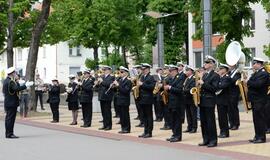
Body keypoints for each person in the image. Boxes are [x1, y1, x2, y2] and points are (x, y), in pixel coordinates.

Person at [2, 67, 33, 138]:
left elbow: (13, 89)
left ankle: (8, 133)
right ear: (12, 73)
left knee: (8, 118)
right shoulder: (11, 81)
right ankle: (10, 134)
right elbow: (16, 89)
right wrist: (25, 86)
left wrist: (19, 83)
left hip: (8, 102)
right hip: (11, 102)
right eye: (15, 73)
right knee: (11, 119)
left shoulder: (6, 81)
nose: (16, 74)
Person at [198, 56, 219, 147]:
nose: (204, 64)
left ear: (211, 64)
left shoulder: (215, 75)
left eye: (206, 63)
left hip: (209, 100)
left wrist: (203, 83)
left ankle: (213, 140)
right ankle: (205, 139)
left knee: (210, 121)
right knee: (203, 122)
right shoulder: (205, 74)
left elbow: (214, 89)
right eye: (205, 63)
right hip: (202, 100)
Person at [247, 57, 268, 143]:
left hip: (259, 99)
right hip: (255, 99)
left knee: (260, 119)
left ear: (259, 64)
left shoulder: (263, 73)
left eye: (254, 63)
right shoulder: (257, 73)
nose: (253, 65)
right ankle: (257, 136)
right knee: (256, 119)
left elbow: (258, 84)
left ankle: (261, 137)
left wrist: (247, 82)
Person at [165, 65, 184, 142]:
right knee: (172, 120)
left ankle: (178, 136)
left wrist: (169, 87)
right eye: (170, 71)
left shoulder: (180, 78)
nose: (170, 72)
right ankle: (174, 134)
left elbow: (179, 90)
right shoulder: (171, 79)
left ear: (175, 71)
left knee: (177, 120)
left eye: (171, 71)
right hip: (171, 102)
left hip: (177, 102)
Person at [138, 63, 156, 138]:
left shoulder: (151, 77)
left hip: (148, 99)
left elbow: (151, 87)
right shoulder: (142, 77)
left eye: (144, 69)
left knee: (149, 116)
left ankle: (149, 132)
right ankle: (145, 131)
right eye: (142, 69)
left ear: (148, 69)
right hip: (142, 99)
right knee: (144, 116)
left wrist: (142, 84)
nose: (142, 71)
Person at [113, 66, 132, 133]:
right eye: (120, 72)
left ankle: (127, 128)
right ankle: (123, 128)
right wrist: (113, 86)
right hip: (119, 100)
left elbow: (125, 91)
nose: (120, 73)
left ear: (126, 73)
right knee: (121, 115)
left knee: (125, 115)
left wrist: (118, 85)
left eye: (121, 72)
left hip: (125, 100)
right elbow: (117, 90)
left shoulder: (128, 81)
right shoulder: (120, 80)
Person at [216, 64, 231, 138]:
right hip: (219, 100)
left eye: (221, 69)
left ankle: (225, 132)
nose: (220, 70)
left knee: (223, 117)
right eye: (219, 68)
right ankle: (222, 131)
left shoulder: (227, 78)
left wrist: (216, 85)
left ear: (225, 70)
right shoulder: (220, 77)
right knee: (220, 117)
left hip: (224, 100)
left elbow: (222, 86)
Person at [97, 65, 115, 131]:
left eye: (105, 70)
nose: (104, 71)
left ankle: (109, 126)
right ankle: (104, 125)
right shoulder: (102, 76)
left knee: (107, 112)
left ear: (109, 70)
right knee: (103, 112)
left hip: (107, 96)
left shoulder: (112, 77)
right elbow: (99, 87)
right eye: (104, 70)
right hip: (102, 96)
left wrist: (102, 82)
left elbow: (109, 85)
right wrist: (98, 83)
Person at [183, 65, 197, 133]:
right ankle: (189, 126)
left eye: (188, 70)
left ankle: (194, 127)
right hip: (186, 99)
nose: (186, 72)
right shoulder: (187, 79)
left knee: (193, 114)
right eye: (186, 70)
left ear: (191, 71)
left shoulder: (194, 78)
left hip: (191, 99)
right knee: (188, 114)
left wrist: (183, 90)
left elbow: (192, 88)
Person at [228, 65, 241, 130]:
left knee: (234, 109)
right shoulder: (229, 73)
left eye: (230, 65)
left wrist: (227, 78)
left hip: (234, 94)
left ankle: (236, 124)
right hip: (229, 94)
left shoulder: (237, 73)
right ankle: (231, 123)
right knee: (229, 109)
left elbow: (234, 80)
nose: (229, 66)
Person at [160, 65, 172, 130]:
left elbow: (169, 85)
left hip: (168, 96)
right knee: (165, 111)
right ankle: (166, 123)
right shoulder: (164, 77)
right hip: (164, 95)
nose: (164, 71)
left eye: (166, 70)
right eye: (164, 70)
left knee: (167, 111)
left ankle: (169, 124)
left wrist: (162, 85)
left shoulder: (169, 77)